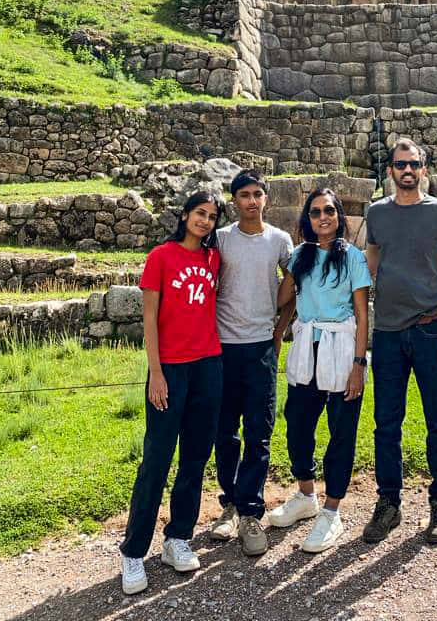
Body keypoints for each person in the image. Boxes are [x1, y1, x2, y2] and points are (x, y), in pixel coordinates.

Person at [363, 138, 437, 546]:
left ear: (424, 169)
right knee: (386, 424)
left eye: (414, 164)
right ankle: (388, 503)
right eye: (400, 164)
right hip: (387, 333)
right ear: (390, 170)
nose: (407, 170)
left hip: (429, 329)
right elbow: (368, 268)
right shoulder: (377, 214)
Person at [120, 191, 224, 595]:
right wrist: (156, 373)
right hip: (171, 370)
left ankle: (178, 537)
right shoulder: (161, 257)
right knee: (157, 460)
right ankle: (133, 551)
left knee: (196, 457)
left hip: (208, 365)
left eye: (212, 217)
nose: (205, 222)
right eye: (200, 213)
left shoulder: (213, 258)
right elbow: (149, 321)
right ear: (184, 215)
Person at [270, 187, 371, 552]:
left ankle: (332, 511)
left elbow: (362, 314)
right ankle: (306, 494)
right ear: (307, 220)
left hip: (342, 346)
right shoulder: (300, 257)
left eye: (329, 211)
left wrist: (359, 365)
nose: (323, 217)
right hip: (307, 345)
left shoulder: (353, 258)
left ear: (339, 216)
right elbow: (285, 298)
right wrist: (283, 267)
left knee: (341, 429)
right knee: (297, 422)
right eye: (315, 212)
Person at [208, 169, 295, 556]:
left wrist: (278, 333)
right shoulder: (221, 239)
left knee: (259, 432)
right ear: (234, 201)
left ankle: (251, 512)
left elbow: (293, 285)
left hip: (261, 347)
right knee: (224, 432)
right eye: (244, 194)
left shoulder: (280, 240)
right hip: (223, 348)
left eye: (258, 194)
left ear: (266, 199)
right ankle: (230, 504)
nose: (252, 201)